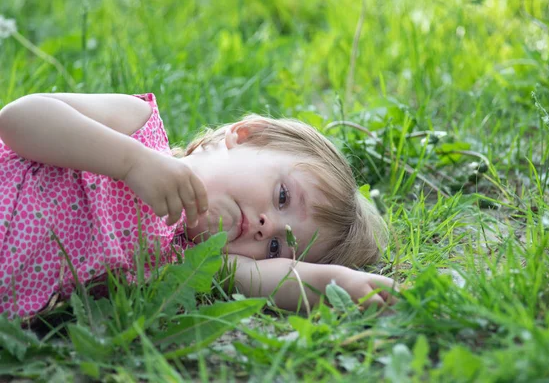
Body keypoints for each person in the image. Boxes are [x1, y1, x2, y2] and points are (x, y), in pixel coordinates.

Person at [0, 93, 395, 319]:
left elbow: (282, 278)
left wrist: (340, 284)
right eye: (282, 198)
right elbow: (19, 119)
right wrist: (131, 162)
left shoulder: (188, 262)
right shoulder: (140, 130)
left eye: (276, 245)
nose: (265, 227)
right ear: (246, 136)